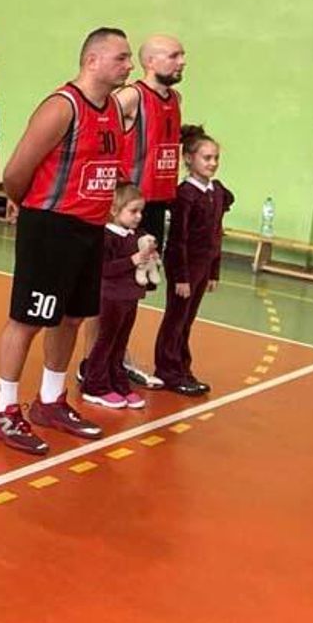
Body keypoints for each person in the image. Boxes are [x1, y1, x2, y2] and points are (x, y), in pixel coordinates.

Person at [0, 28, 133, 454]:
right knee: (28, 319)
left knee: (71, 318)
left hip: (90, 228)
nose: (129, 66)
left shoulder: (112, 109)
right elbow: (16, 171)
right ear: (92, 60)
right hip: (51, 227)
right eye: (121, 58)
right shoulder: (62, 106)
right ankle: (4, 409)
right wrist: (28, 206)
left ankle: (50, 400)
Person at [116, 34, 185, 390]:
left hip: (157, 207)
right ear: (151, 62)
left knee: (137, 288)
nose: (182, 61)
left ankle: (116, 356)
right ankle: (98, 359)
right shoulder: (130, 97)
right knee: (114, 287)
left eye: (182, 55)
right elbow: (100, 133)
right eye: (174, 55)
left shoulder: (176, 99)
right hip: (127, 208)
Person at [151, 125, 232, 396]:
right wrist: (181, 277)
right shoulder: (185, 194)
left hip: (203, 266)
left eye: (216, 158)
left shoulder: (216, 192)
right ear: (188, 158)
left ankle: (182, 368)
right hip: (185, 268)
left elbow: (216, 234)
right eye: (206, 158)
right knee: (176, 318)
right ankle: (167, 370)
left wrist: (214, 271)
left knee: (187, 320)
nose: (213, 163)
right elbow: (177, 240)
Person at [79, 183, 155, 409]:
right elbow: (103, 269)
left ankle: (117, 382)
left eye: (141, 211)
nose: (138, 216)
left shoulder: (136, 236)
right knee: (106, 341)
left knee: (121, 342)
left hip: (130, 297)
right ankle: (94, 385)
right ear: (114, 210)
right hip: (111, 297)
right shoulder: (107, 236)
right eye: (133, 211)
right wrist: (132, 260)